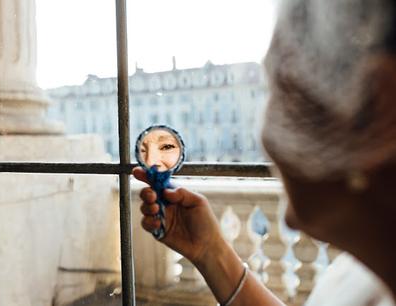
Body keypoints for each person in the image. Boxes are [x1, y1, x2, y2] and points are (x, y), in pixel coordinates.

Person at [133, 0, 396, 305]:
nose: (265, 133)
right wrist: (211, 252)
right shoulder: (364, 271)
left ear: (379, 108)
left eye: (280, 87)